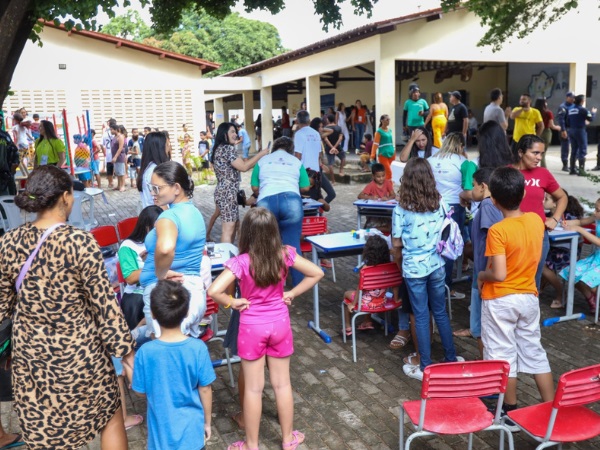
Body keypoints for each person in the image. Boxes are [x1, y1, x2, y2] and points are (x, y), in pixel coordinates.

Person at [0, 165, 134, 449]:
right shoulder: (79, 241)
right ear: (64, 197)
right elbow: (104, 306)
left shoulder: (8, 242)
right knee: (109, 416)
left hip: (32, 358)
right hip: (81, 355)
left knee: (44, 430)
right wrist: (125, 352)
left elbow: (2, 306)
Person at [207, 207, 323, 450]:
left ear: (246, 234)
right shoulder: (285, 254)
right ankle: (288, 439)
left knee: (253, 388)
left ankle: (251, 445)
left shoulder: (240, 262)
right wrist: (291, 292)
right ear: (274, 231)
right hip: (280, 323)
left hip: (251, 327)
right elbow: (317, 272)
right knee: (282, 384)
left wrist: (232, 302)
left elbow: (213, 291)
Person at [477, 166, 554, 429]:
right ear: (523, 193)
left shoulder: (498, 230)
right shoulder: (535, 220)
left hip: (501, 300)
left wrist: (480, 275)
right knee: (534, 352)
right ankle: (551, 410)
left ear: (493, 199)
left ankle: (509, 412)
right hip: (528, 298)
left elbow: (497, 274)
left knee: (503, 356)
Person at [393, 158, 460, 381]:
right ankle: (451, 358)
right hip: (438, 264)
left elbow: (396, 245)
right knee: (440, 312)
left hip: (414, 269)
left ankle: (425, 365)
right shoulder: (440, 202)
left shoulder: (400, 209)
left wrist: (400, 261)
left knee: (421, 316)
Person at [131, 280, 215, 450]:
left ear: (152, 314)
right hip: (192, 433)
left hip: (161, 437)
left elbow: (139, 392)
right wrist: (207, 423)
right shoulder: (198, 348)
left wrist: (128, 367)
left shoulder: (145, 352)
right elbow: (205, 389)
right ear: (186, 313)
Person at [139, 161, 207, 337]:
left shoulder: (169, 216)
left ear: (176, 188)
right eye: (151, 188)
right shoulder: (195, 213)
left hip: (166, 298)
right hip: (192, 292)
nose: (153, 193)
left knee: (165, 356)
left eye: (157, 188)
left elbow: (166, 249)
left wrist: (161, 273)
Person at [452, 167, 502, 360]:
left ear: (483, 186)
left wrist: (485, 275)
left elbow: (494, 240)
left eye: (473, 186)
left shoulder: (488, 206)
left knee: (481, 328)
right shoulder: (492, 205)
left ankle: (487, 366)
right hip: (483, 272)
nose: (471, 190)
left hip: (484, 273)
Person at [251, 136, 310, 286]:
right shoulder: (296, 162)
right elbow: (306, 187)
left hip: (266, 201)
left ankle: (266, 282)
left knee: (265, 243)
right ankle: (298, 283)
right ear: (290, 149)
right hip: (292, 202)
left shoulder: (262, 161)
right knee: (292, 245)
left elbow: (254, 188)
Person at [512, 135, 567, 290]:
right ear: (521, 152)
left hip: (538, 236)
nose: (539, 158)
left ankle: (529, 314)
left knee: (533, 280)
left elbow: (562, 197)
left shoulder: (543, 174)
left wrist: (555, 219)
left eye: (541, 154)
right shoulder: (507, 173)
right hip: (512, 236)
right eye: (535, 153)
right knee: (512, 278)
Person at [428, 132, 474, 300]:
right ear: (461, 146)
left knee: (434, 245)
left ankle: (433, 284)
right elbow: (468, 188)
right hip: (455, 207)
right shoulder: (463, 162)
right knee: (448, 247)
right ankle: (445, 288)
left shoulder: (431, 160)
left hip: (432, 205)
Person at [211, 122, 269, 243]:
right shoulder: (227, 148)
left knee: (233, 226)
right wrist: (261, 154)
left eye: (235, 131)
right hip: (227, 192)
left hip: (226, 192)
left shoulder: (221, 148)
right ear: (224, 134)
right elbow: (243, 167)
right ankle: (225, 259)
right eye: (232, 131)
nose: (235, 134)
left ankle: (229, 257)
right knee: (228, 229)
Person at [343, 235, 399, 334]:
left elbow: (360, 289)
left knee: (347, 294)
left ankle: (347, 326)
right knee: (370, 294)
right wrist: (396, 299)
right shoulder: (390, 266)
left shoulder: (366, 269)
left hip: (365, 303)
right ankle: (367, 321)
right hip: (382, 300)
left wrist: (353, 304)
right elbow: (395, 285)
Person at [542, 193, 584, 309]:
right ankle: (543, 285)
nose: (543, 200)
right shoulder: (548, 215)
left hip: (568, 253)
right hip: (555, 250)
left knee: (541, 264)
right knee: (538, 258)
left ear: (556, 203)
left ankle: (560, 291)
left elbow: (579, 238)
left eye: (546, 199)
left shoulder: (568, 218)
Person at [560, 198, 600, 312]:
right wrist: (567, 223)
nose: (594, 212)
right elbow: (581, 222)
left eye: (597, 210)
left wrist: (580, 230)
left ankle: (595, 298)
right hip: (595, 258)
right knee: (571, 272)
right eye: (595, 209)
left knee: (590, 282)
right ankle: (592, 300)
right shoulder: (597, 217)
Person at [137, 131, 170, 209]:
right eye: (167, 144)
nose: (169, 147)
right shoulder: (155, 172)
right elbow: (161, 202)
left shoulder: (149, 168)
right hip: (159, 217)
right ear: (160, 148)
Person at [566, 94, 597, 175]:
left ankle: (572, 169)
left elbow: (567, 122)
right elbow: (590, 118)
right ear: (582, 101)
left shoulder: (570, 110)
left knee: (574, 150)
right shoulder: (583, 110)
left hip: (571, 130)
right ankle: (581, 171)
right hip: (580, 131)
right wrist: (593, 113)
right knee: (582, 150)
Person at [533, 98, 561, 168]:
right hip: (546, 132)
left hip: (535, 131)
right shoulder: (548, 113)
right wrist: (558, 127)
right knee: (543, 153)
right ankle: (543, 168)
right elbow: (552, 125)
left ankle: (532, 166)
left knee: (534, 151)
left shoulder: (533, 112)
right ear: (544, 103)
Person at [371, 114, 395, 180]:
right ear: (382, 121)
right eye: (387, 120)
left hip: (391, 153)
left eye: (389, 119)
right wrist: (372, 155)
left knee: (387, 172)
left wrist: (394, 151)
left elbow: (391, 142)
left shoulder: (390, 130)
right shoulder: (379, 132)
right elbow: (375, 144)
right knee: (388, 172)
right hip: (383, 154)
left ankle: (386, 187)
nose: (388, 121)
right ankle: (388, 188)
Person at [557, 92, 576, 172]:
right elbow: (561, 120)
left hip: (574, 129)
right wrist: (563, 130)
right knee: (565, 148)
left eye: (573, 97)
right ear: (567, 97)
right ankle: (565, 165)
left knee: (575, 147)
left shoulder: (575, 106)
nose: (573, 99)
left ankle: (573, 164)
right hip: (566, 129)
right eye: (571, 97)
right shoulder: (563, 106)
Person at [323, 113, 346, 181]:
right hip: (337, 146)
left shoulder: (325, 128)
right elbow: (340, 138)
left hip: (328, 147)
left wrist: (332, 147)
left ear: (327, 120)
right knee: (343, 158)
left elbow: (326, 139)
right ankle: (341, 170)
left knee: (331, 164)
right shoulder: (338, 128)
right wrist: (335, 147)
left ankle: (333, 181)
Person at [0, 128, 20, 195]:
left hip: (6, 173)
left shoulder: (4, 135)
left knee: (9, 198)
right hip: (6, 173)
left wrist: (15, 162)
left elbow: (14, 150)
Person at [110, 123, 126, 192]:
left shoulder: (121, 137)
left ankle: (123, 186)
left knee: (121, 172)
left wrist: (115, 157)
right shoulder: (114, 137)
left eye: (111, 130)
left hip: (119, 157)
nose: (111, 131)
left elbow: (120, 148)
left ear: (116, 130)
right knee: (118, 172)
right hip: (115, 157)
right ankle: (119, 185)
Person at [103, 118, 116, 188]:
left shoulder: (105, 133)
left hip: (108, 153)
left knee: (109, 168)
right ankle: (115, 182)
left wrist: (104, 153)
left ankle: (110, 182)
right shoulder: (116, 133)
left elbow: (102, 144)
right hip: (115, 153)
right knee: (117, 167)